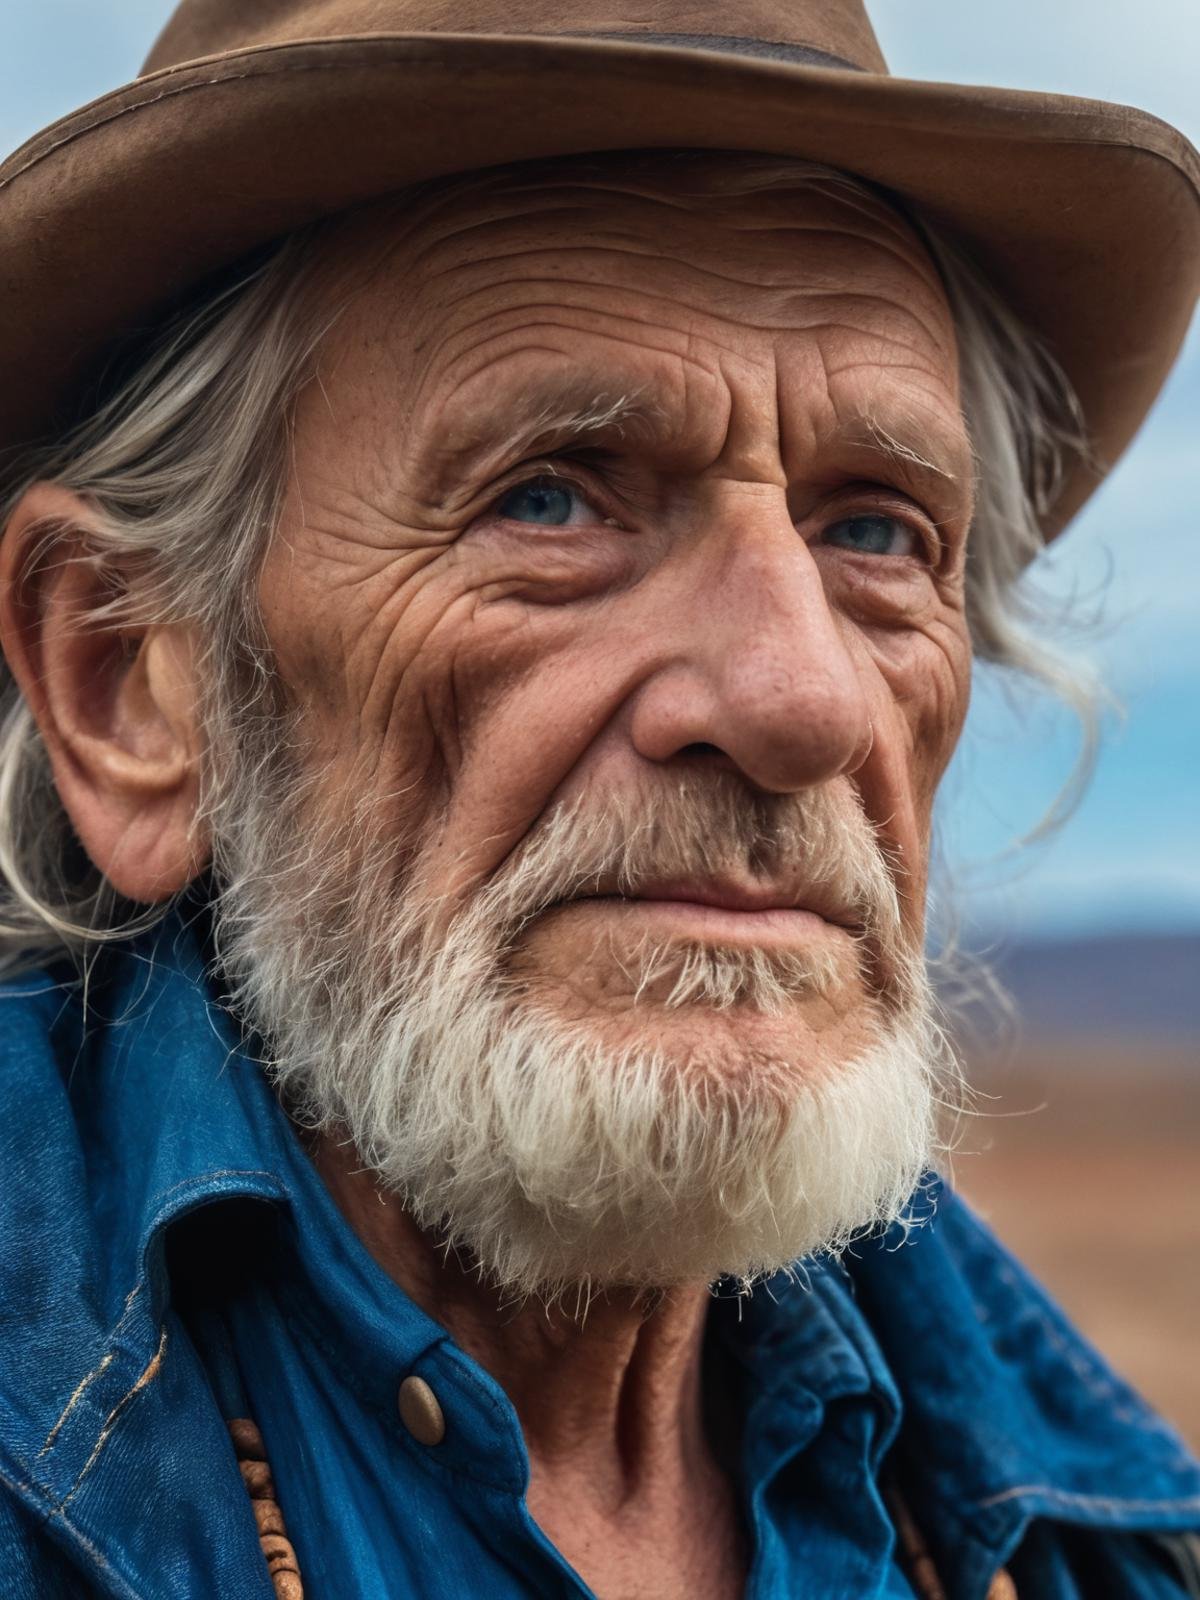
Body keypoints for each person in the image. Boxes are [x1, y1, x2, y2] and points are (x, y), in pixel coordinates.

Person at [0, 1, 1197, 1595]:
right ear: (129, 686)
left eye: (877, 533)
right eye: (551, 500)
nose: (800, 699)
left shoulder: (1089, 1532)